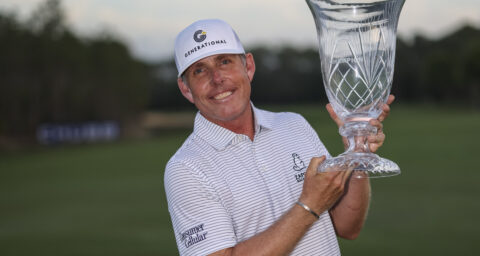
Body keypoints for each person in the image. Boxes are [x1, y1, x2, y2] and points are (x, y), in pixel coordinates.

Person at [164, 19, 394, 256]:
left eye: (225, 61)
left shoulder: (293, 124)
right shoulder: (186, 168)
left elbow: (347, 226)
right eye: (199, 70)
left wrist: (357, 153)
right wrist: (309, 205)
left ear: (249, 67)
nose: (217, 78)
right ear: (186, 88)